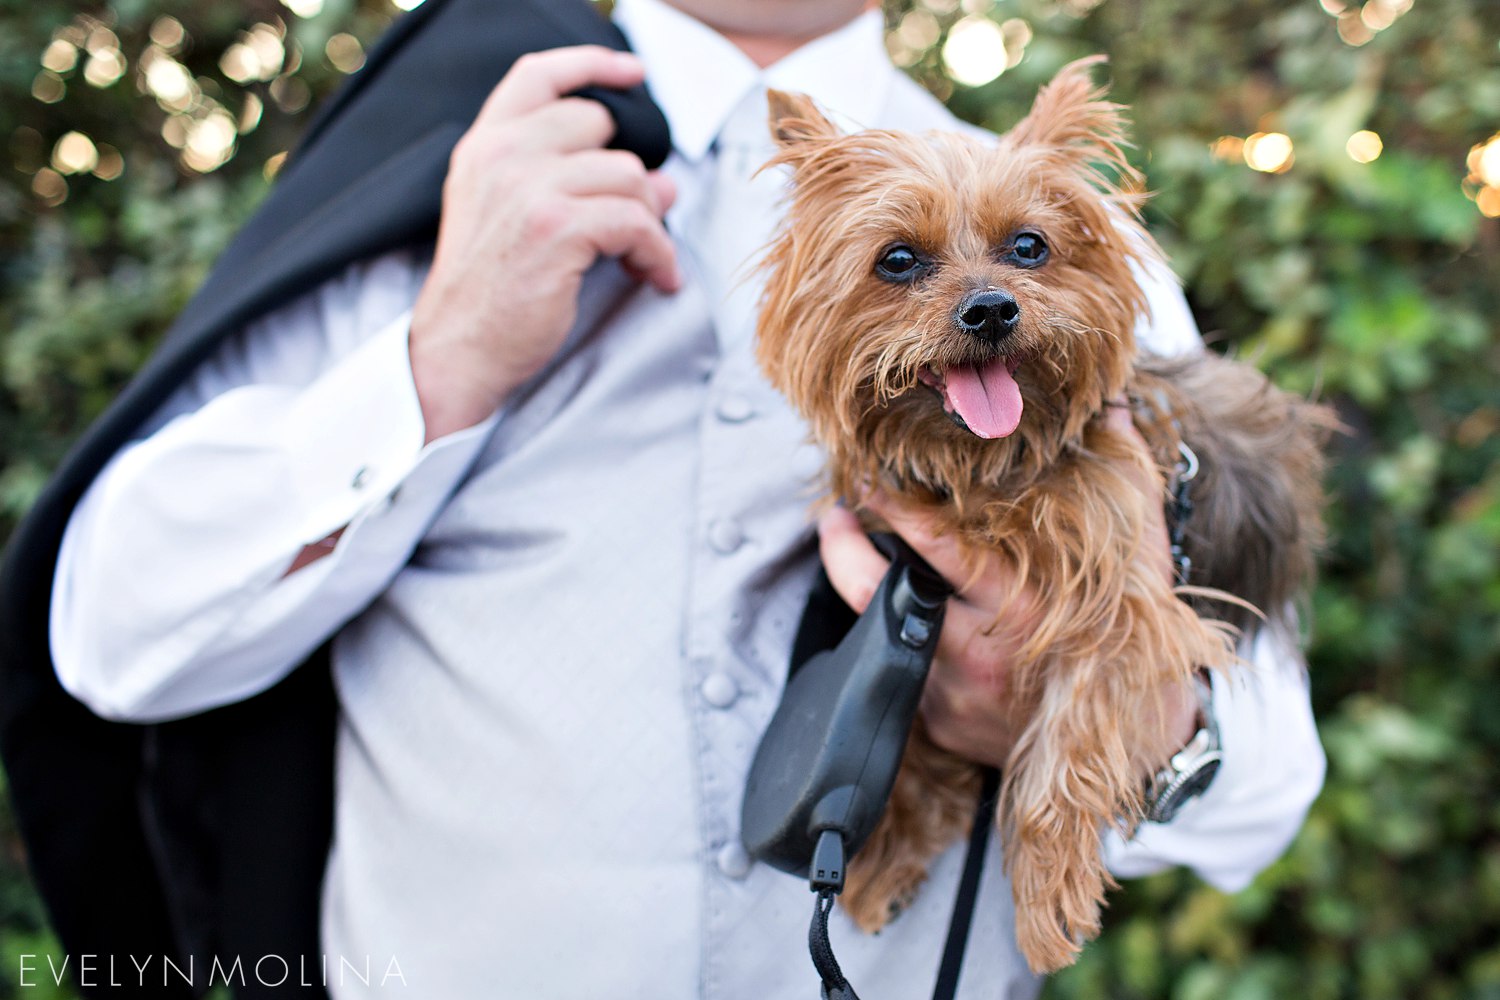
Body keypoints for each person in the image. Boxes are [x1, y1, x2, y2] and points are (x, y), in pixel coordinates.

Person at [43, 0, 1325, 995]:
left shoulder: (1064, 234)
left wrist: (1134, 722)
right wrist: (439, 359)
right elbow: (112, 639)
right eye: (895, 263)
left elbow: (1266, 789)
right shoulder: (443, 186)